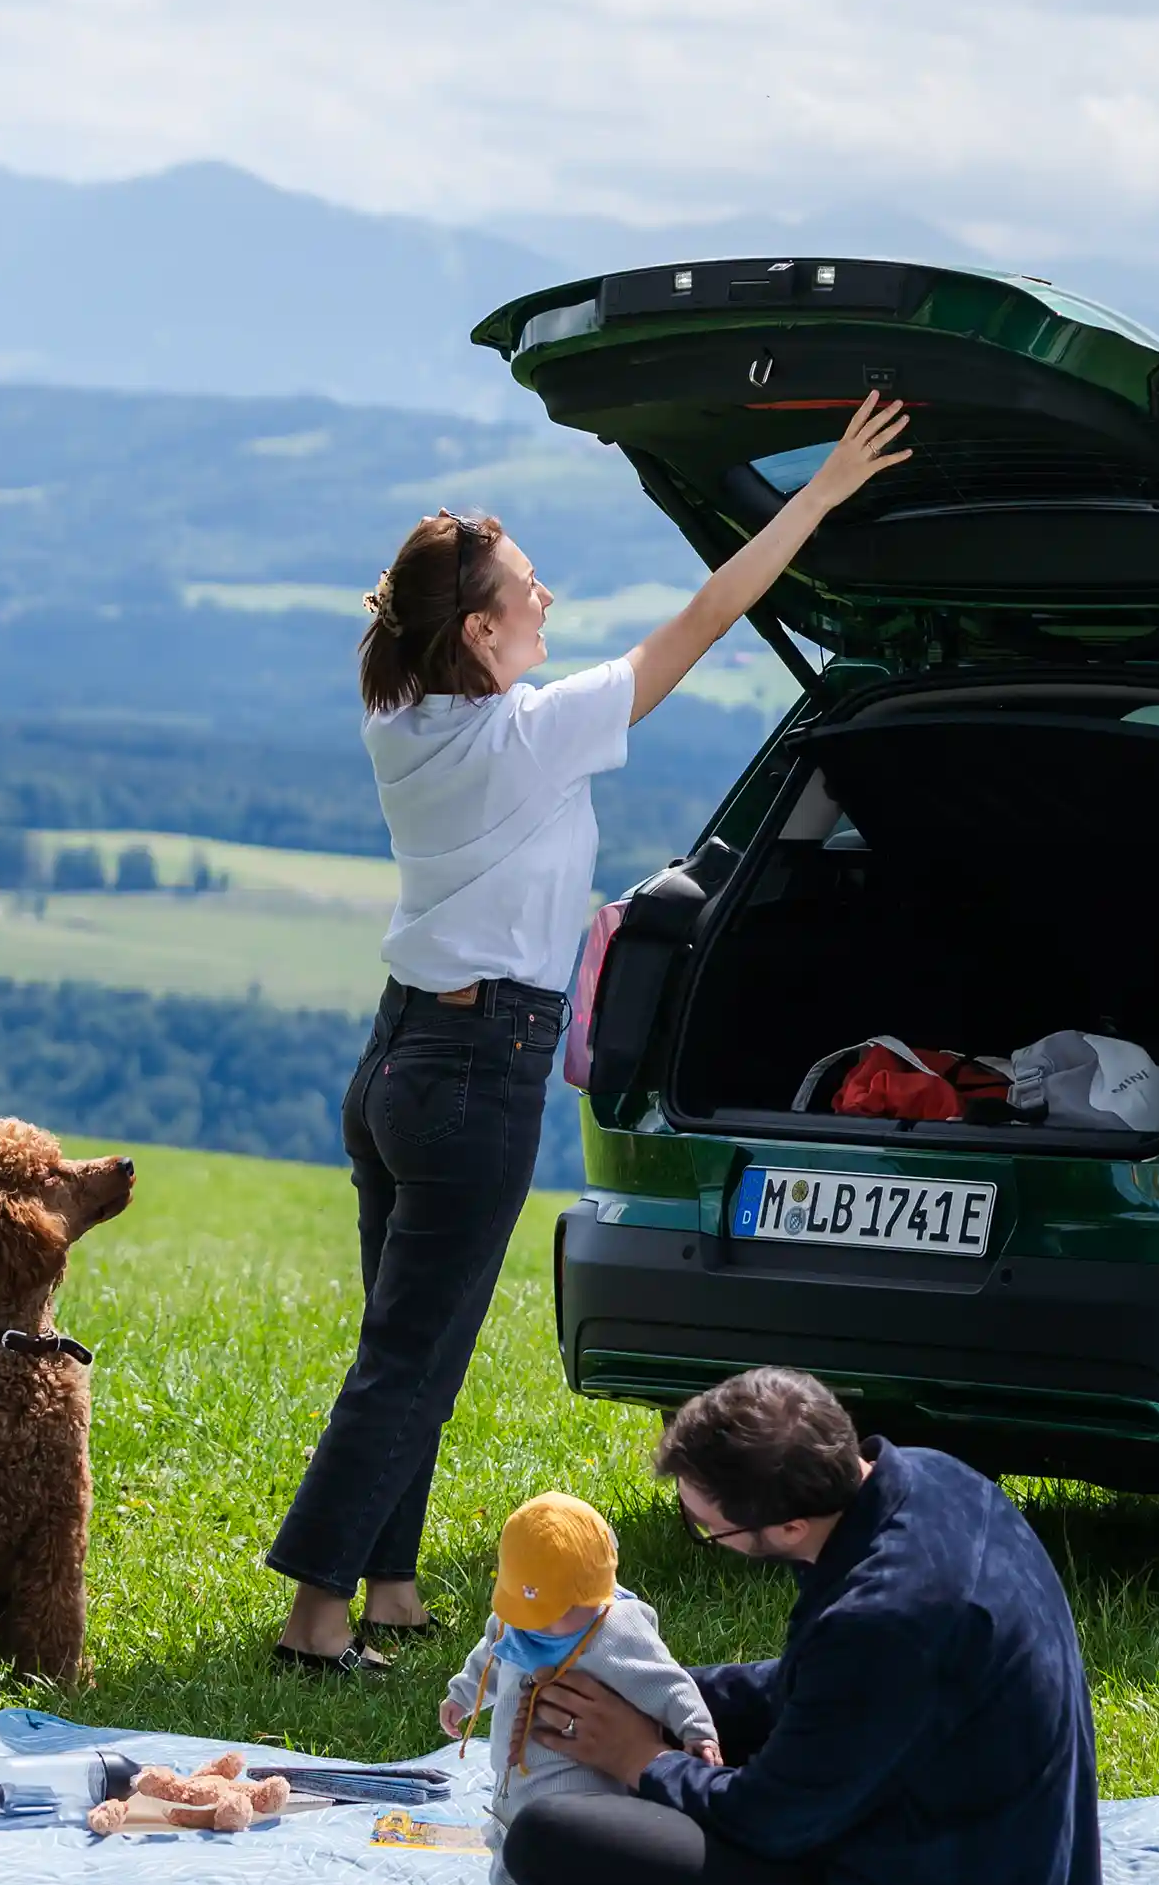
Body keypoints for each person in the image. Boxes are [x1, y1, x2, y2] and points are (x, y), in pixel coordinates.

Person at [266, 396, 914, 1671]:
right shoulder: (522, 737)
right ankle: (315, 1613)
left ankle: (387, 1584)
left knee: (415, 1338)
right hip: (473, 1070)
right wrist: (824, 491)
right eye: (525, 587)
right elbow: (708, 617)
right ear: (479, 629)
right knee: (409, 1350)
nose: (547, 597)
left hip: (400, 1057)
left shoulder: (405, 723)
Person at [486, 1369, 1104, 1885]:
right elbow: (821, 1693)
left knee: (548, 1836)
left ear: (787, 1528)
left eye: (708, 1527)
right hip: (998, 1850)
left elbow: (767, 1819)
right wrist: (666, 1689)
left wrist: (639, 1757)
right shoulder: (932, 1478)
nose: (701, 1535)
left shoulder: (884, 1620)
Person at [438, 1490, 718, 1885]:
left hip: (583, 1774)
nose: (544, 1627)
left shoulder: (616, 1627)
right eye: (533, 1614)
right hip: (516, 1776)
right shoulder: (515, 1619)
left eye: (559, 1612)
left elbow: (665, 1679)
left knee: (570, 1849)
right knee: (515, 1834)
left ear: (595, 1592)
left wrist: (698, 1730)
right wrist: (462, 1695)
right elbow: (490, 1658)